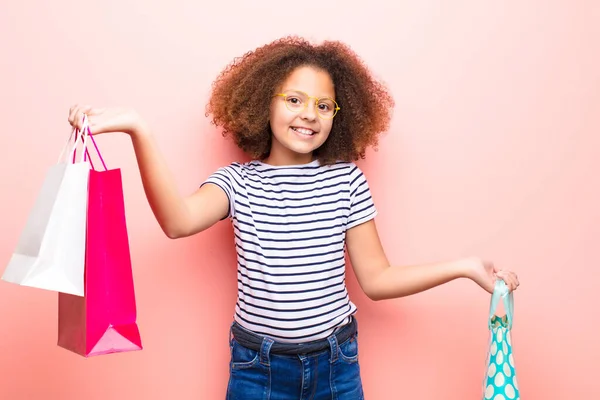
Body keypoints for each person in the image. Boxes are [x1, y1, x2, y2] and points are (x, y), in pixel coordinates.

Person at [68, 36, 520, 399]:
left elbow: (378, 280)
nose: (309, 115)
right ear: (264, 102)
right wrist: (138, 130)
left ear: (339, 117)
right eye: (295, 100)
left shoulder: (346, 181)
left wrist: (462, 268)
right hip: (258, 368)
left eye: (324, 106)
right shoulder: (237, 182)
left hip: (336, 365)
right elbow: (177, 221)